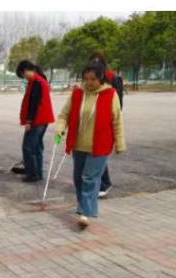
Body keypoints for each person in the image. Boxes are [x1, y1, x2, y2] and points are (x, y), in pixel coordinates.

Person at [53, 61, 125, 229]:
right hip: (79, 145)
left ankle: (86, 213)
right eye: (86, 79)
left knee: (90, 178)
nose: (89, 82)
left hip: (100, 146)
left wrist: (120, 143)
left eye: (93, 79)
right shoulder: (77, 93)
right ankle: (82, 207)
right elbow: (64, 115)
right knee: (78, 178)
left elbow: (117, 121)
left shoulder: (110, 94)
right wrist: (60, 129)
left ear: (101, 78)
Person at [14, 60, 55, 184]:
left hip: (37, 120)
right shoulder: (40, 80)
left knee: (28, 147)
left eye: (23, 75)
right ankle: (38, 173)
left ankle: (32, 174)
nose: (24, 78)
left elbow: (34, 103)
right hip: (43, 119)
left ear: (25, 70)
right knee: (37, 147)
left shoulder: (36, 82)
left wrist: (29, 121)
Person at [90, 55, 124, 197]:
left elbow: (118, 104)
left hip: (105, 123)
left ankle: (104, 183)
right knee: (93, 154)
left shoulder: (113, 79)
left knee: (99, 154)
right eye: (93, 63)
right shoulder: (91, 80)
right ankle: (98, 183)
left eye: (98, 63)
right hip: (91, 122)